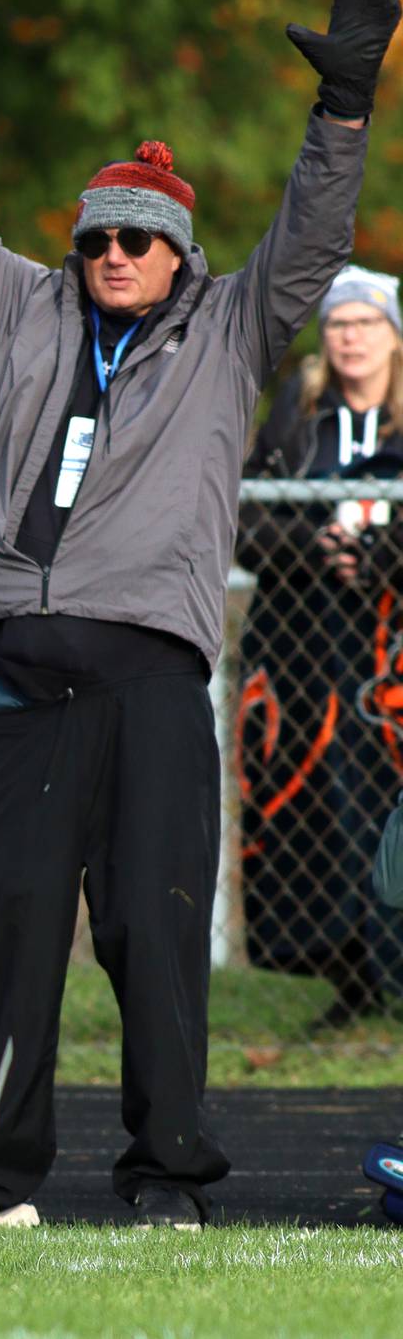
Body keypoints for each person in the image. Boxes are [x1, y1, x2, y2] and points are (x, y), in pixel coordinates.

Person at [0, 0, 398, 1228]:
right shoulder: (16, 306)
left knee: (155, 940)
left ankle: (166, 1178)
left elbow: (313, 235)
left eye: (140, 239)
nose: (115, 253)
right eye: (100, 235)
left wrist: (345, 105)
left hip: (149, 681)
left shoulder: (232, 327)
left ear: (180, 256)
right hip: (15, 678)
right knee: (6, 947)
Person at [237, 264, 403, 1031]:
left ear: (393, 335)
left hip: (386, 647)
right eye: (338, 323)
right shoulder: (298, 419)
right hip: (303, 644)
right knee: (313, 811)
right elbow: (244, 521)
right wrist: (318, 547)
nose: (350, 337)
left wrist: (379, 553)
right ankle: (350, 975)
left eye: (366, 322)